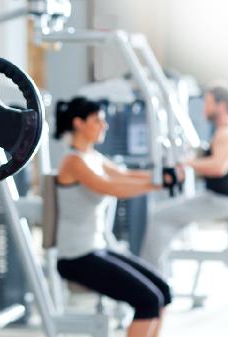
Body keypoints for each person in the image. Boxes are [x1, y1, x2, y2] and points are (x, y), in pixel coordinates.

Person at [54, 97, 172, 337]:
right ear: (78, 123)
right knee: (148, 301)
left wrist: (161, 175)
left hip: (96, 250)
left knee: (163, 292)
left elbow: (125, 176)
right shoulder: (73, 161)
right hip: (76, 258)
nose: (104, 125)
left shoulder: (93, 157)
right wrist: (158, 184)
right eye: (98, 120)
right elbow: (112, 187)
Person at [140, 83, 228, 274]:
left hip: (219, 202)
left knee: (159, 216)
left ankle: (149, 276)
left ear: (222, 106)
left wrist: (187, 164)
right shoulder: (221, 133)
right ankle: (156, 272)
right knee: (166, 219)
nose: (204, 108)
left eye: (208, 103)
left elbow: (219, 167)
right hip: (214, 198)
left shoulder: (226, 134)